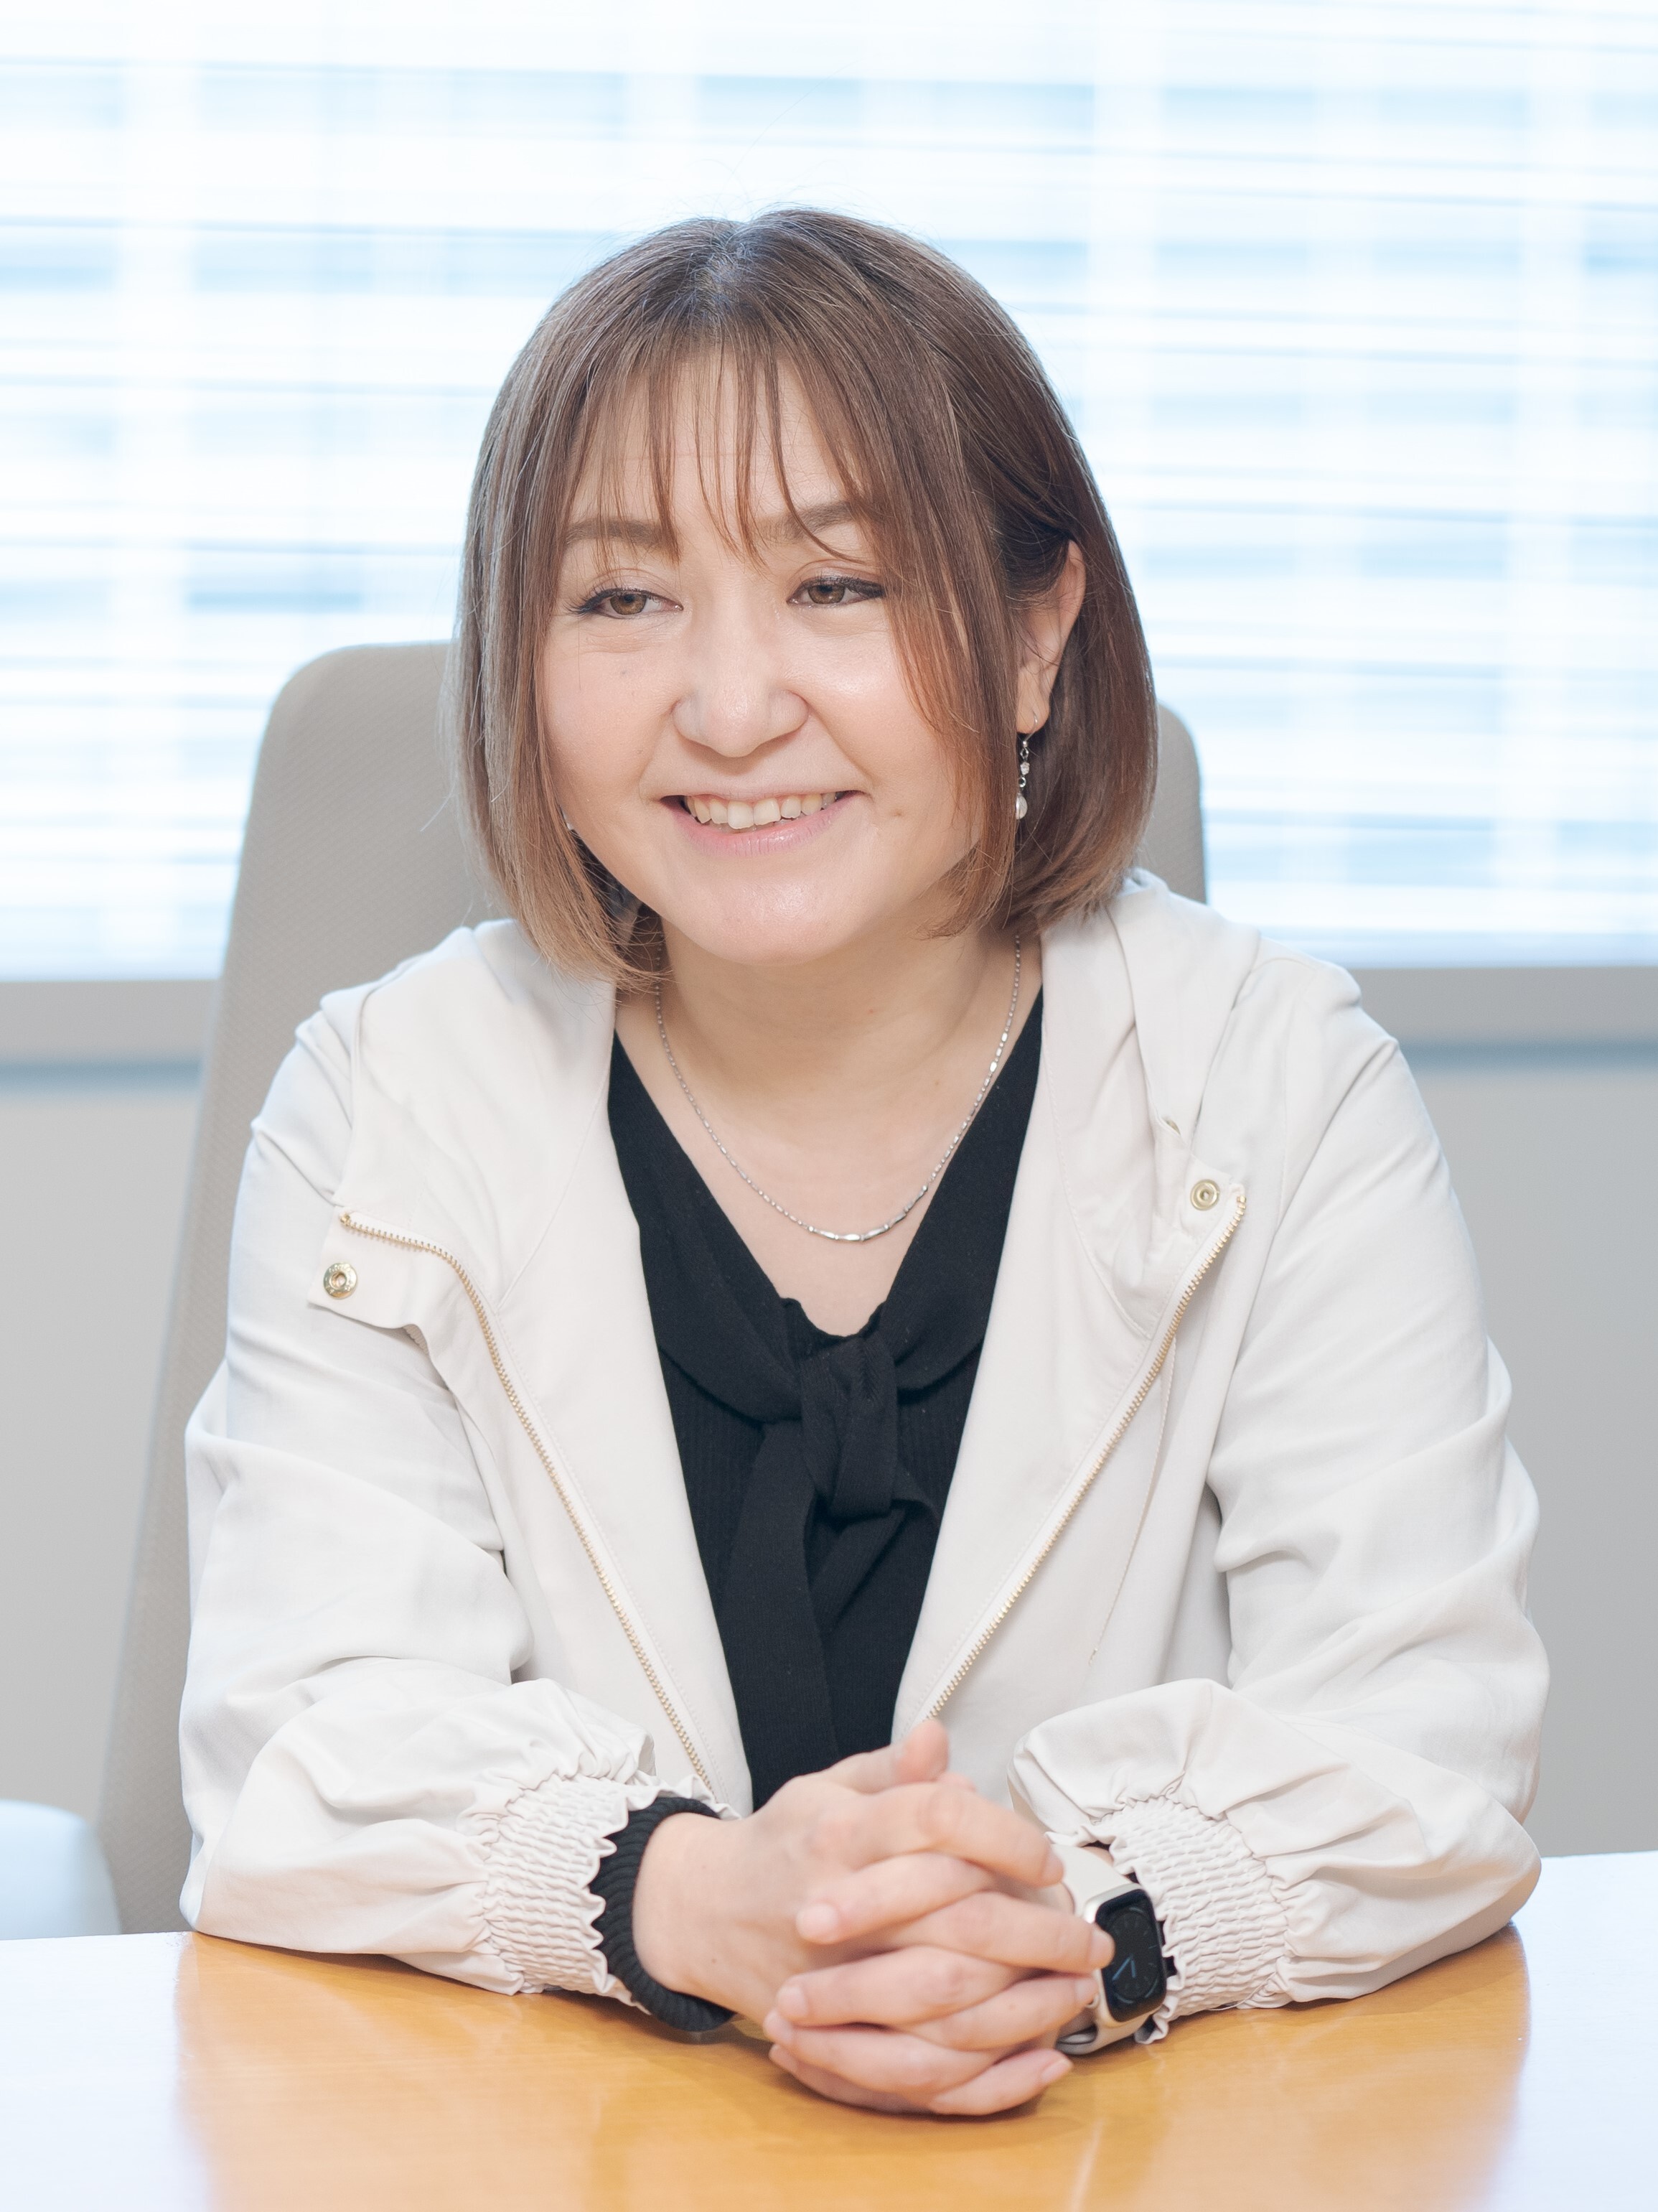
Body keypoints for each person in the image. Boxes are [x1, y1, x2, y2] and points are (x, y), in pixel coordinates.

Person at [179, 210, 1546, 2118]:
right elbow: (302, 1743)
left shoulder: (1279, 1081)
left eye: (839, 584)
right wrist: (691, 1898)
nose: (733, 708)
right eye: (621, 598)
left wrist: (1065, 1929)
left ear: (1040, 636)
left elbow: (1424, 1735)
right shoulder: (388, 1096)